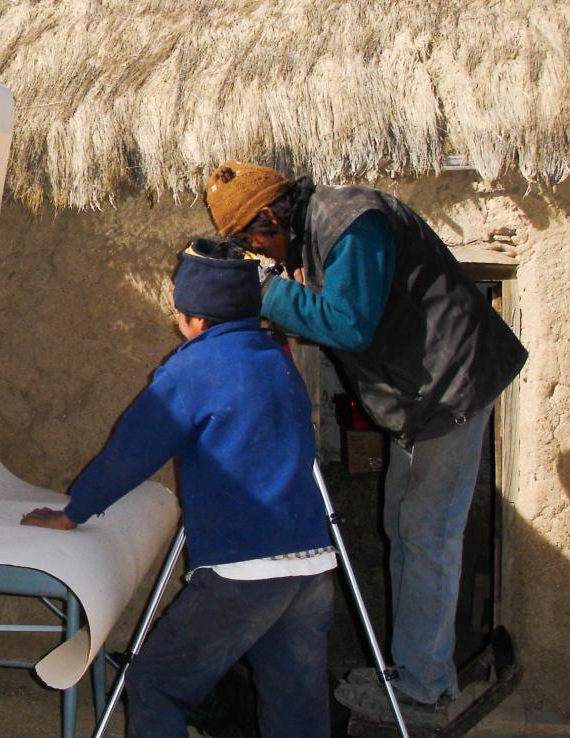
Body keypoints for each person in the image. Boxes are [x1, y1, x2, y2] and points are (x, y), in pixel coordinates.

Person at [203, 161, 528, 727]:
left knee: (427, 535)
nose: (255, 248)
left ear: (271, 214)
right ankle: (413, 673)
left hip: (452, 387)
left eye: (250, 236)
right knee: (404, 526)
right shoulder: (319, 235)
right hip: (422, 397)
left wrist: (265, 294)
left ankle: (424, 691)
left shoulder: (351, 220)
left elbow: (351, 325)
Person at [21, 239, 336, 738]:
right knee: (293, 706)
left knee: (157, 685)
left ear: (194, 318)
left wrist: (73, 512)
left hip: (244, 570)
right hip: (312, 563)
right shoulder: (277, 360)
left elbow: (131, 452)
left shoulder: (194, 369)